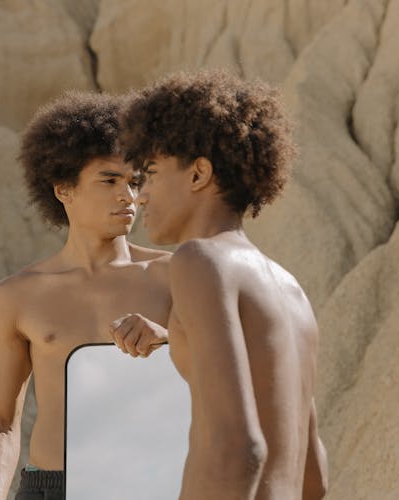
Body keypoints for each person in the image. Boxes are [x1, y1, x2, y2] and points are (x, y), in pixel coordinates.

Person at [114, 70, 328, 499]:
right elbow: (315, 478)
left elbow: (239, 448)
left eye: (152, 173)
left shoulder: (200, 261)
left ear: (199, 175)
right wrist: (175, 337)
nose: (141, 195)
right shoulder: (291, 291)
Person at [0, 91, 171, 500]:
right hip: (50, 488)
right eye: (110, 180)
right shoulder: (16, 297)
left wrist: (171, 339)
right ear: (64, 189)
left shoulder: (173, 276)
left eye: (135, 181)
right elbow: (3, 424)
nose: (128, 196)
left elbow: (231, 371)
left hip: (148, 484)